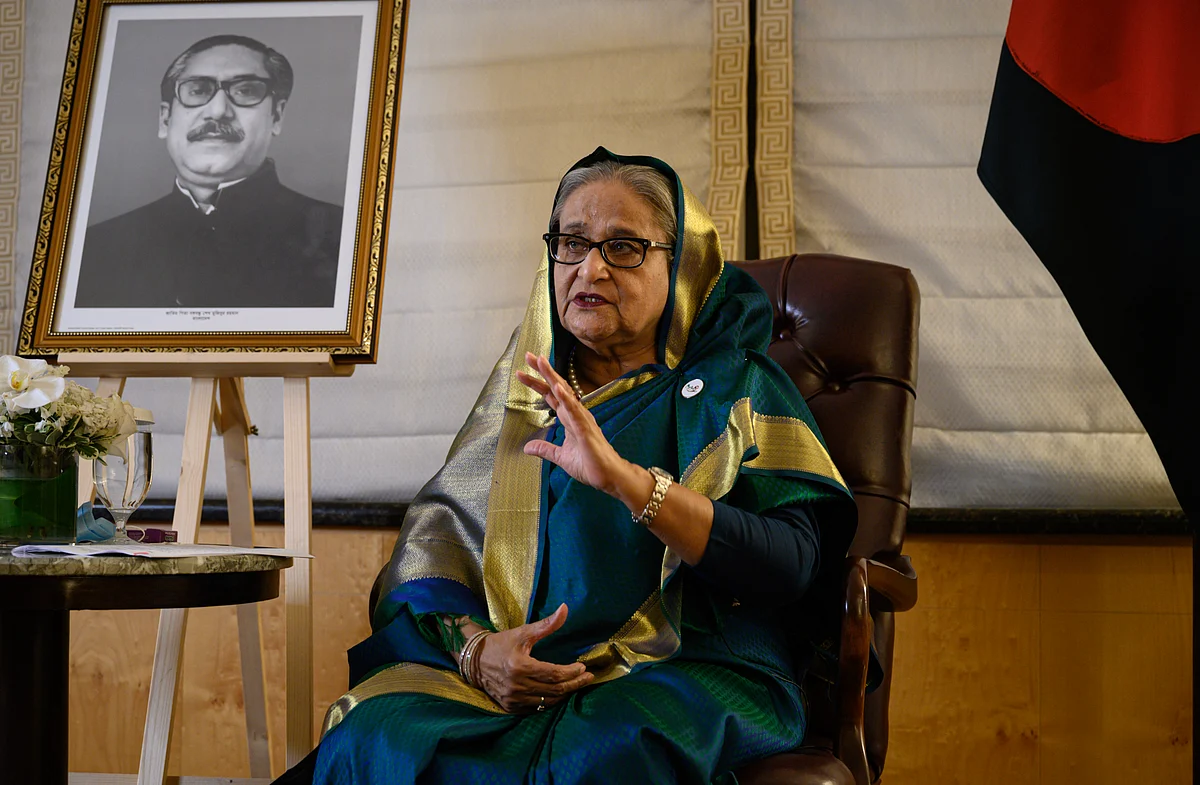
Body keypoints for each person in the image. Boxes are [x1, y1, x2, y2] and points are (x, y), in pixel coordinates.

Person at [282, 148, 857, 784]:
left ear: (682, 264)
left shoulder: (734, 387)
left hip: (684, 669)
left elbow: (791, 564)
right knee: (372, 735)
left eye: (624, 247)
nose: (590, 268)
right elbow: (433, 560)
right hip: (512, 684)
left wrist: (629, 482)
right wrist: (479, 653)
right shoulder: (526, 394)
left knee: (595, 759)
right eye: (572, 244)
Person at [75, 34, 342, 308]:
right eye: (198, 90)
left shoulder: (342, 240)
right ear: (165, 119)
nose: (217, 111)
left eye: (245, 91)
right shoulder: (93, 250)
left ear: (277, 116)